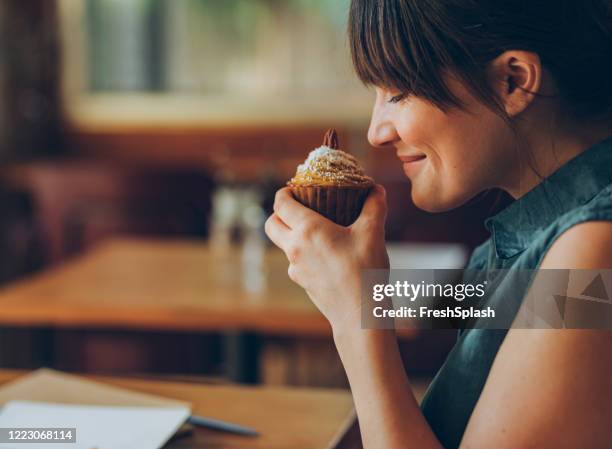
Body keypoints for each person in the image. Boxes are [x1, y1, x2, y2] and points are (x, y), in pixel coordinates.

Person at [265, 0, 612, 447]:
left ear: (513, 81)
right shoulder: (536, 239)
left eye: (399, 92)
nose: (377, 131)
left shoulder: (591, 259)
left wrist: (355, 312)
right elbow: (472, 303)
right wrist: (362, 286)